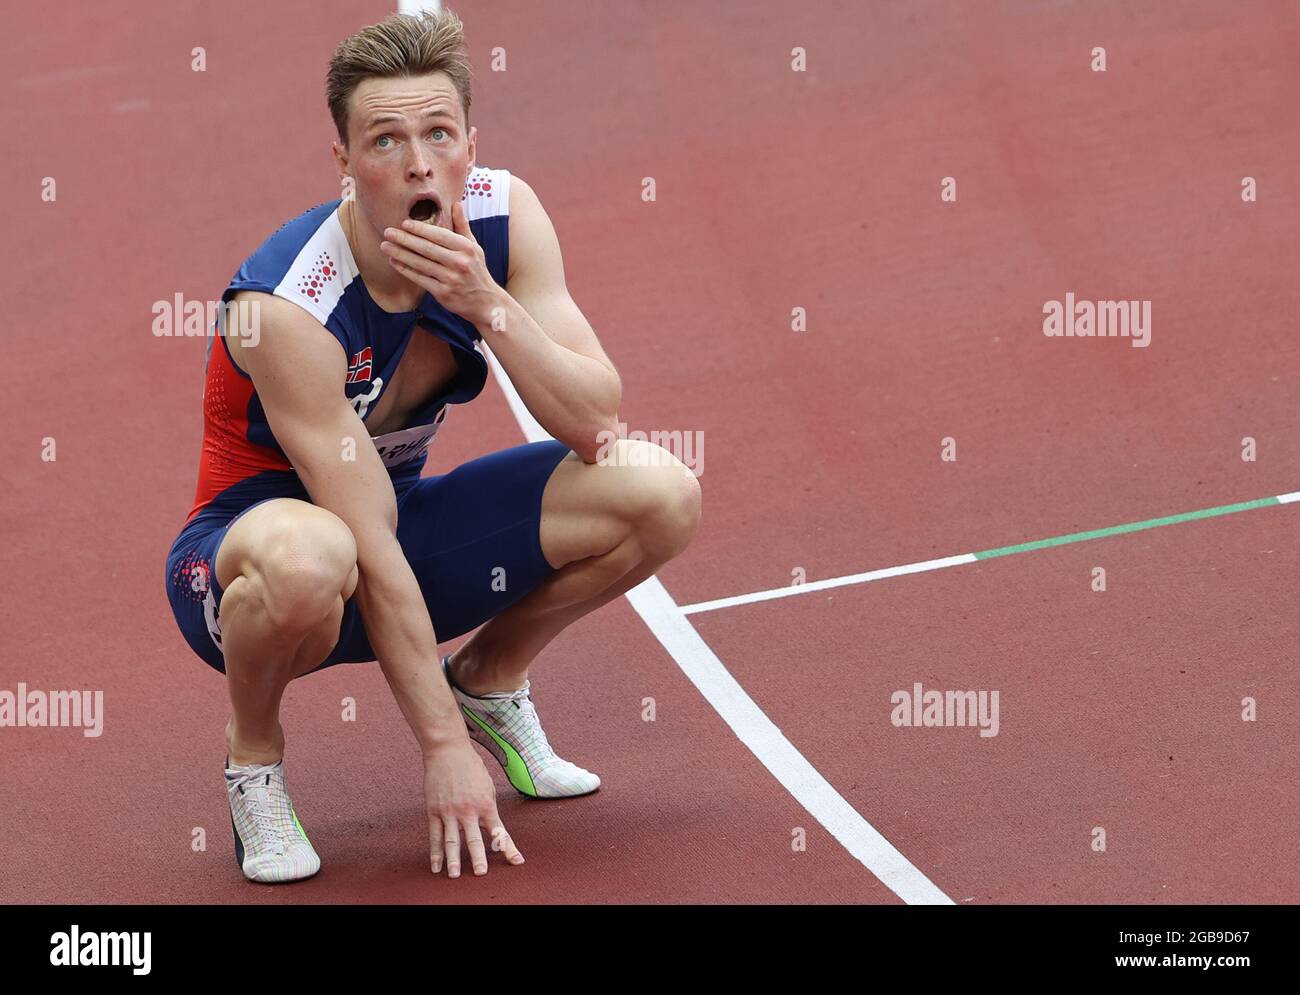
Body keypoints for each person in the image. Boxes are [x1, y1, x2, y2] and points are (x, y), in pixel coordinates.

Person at [164, 7, 701, 884]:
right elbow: (363, 537)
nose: (418, 163)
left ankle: (488, 678)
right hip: (256, 557)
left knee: (659, 489)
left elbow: (595, 419)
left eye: (439, 134)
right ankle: (253, 758)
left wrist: (489, 303)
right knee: (314, 554)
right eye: (385, 141)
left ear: (469, 144)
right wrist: (439, 751)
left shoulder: (504, 216)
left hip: (394, 521)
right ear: (342, 160)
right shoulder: (287, 308)